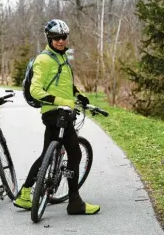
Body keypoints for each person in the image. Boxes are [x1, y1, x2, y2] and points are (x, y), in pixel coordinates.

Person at [14, 19, 100, 215]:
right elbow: (36, 90)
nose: (61, 41)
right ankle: (75, 202)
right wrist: (60, 101)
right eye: (57, 38)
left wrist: (78, 96)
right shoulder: (44, 60)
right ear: (49, 39)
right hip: (55, 112)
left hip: (62, 111)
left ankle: (25, 194)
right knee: (75, 154)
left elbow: (64, 84)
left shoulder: (62, 58)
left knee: (47, 154)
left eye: (64, 37)